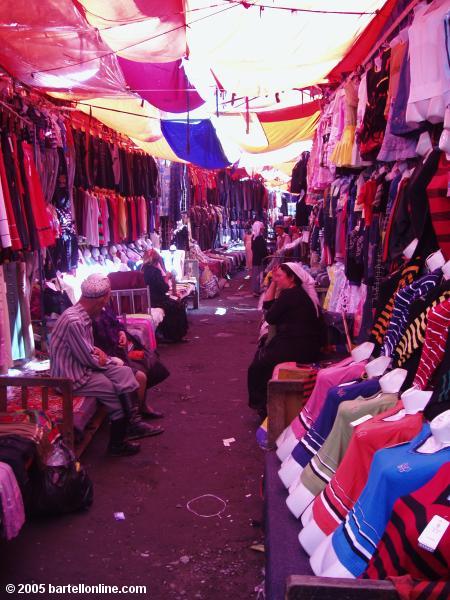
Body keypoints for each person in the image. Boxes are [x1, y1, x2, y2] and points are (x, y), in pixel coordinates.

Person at [49, 274, 162, 456]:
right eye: (106, 300)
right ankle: (117, 443)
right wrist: (106, 359)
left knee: (125, 373)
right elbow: (88, 358)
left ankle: (132, 422)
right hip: (73, 376)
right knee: (113, 389)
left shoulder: (80, 315)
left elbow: (87, 349)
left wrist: (100, 354)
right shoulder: (75, 320)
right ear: (100, 300)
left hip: (83, 366)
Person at [247, 262, 322, 419]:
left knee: (258, 366)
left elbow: (270, 316)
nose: (277, 279)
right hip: (303, 344)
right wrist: (274, 282)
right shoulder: (295, 293)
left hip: (298, 347)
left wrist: (274, 285)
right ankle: (264, 404)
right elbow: (268, 305)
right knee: (261, 358)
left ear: (292, 278)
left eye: (280, 276)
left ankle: (263, 407)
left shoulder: (290, 295)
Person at [92, 303, 166, 420]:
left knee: (150, 362)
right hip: (110, 358)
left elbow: (117, 324)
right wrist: (112, 358)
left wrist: (121, 333)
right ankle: (134, 418)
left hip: (119, 353)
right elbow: (96, 348)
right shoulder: (92, 318)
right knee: (140, 375)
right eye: (107, 293)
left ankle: (142, 407)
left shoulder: (105, 309)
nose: (109, 296)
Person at [142, 249, 188, 342]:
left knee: (174, 304)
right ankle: (173, 336)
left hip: (147, 299)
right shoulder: (155, 271)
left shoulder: (142, 269)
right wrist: (166, 278)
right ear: (156, 260)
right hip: (156, 300)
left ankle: (167, 334)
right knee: (177, 306)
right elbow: (164, 288)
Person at [251, 221, 268, 296]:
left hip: (255, 259)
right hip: (260, 260)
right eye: (262, 228)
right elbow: (262, 250)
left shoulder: (253, 237)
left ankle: (256, 290)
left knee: (256, 274)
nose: (263, 229)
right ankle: (258, 290)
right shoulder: (259, 238)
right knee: (259, 275)